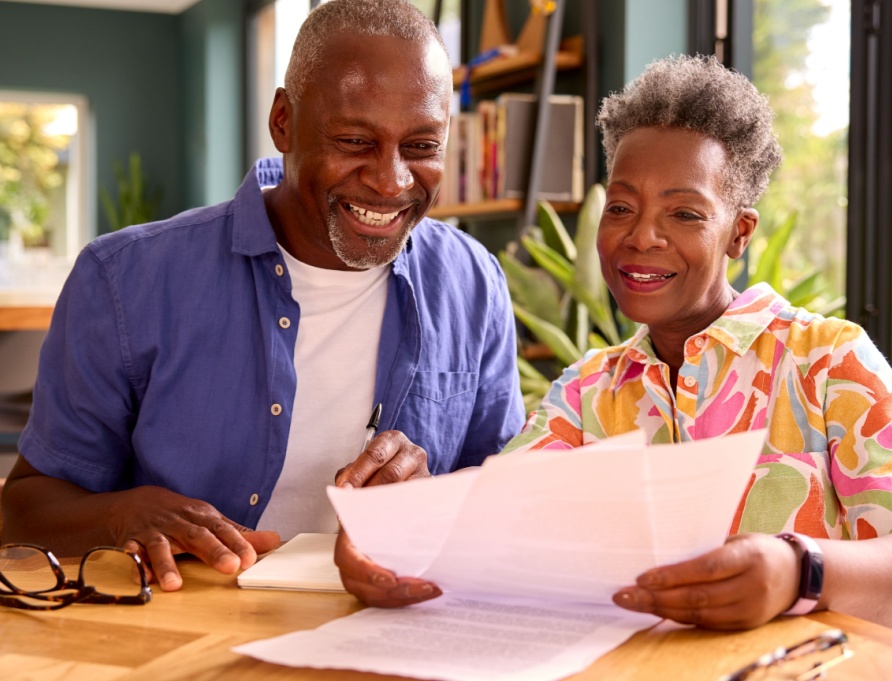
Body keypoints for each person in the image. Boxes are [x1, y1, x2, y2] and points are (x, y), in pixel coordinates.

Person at [335, 54, 892, 630]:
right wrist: (397, 539)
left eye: (684, 213)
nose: (642, 236)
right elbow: (490, 524)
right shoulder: (584, 394)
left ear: (739, 233)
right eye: (621, 207)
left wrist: (800, 571)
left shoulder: (831, 362)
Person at [0, 0, 524, 592]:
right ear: (283, 121)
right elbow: (20, 512)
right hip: (178, 638)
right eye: (355, 140)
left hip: (392, 628)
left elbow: (503, 504)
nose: (391, 180)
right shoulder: (124, 280)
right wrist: (122, 512)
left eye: (422, 146)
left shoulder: (474, 282)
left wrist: (432, 506)